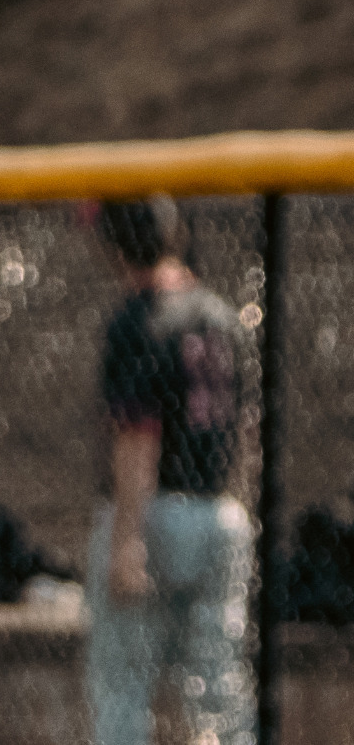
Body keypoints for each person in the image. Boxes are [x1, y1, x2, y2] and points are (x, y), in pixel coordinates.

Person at [89, 197, 254, 745]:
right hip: (222, 516)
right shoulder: (220, 315)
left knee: (123, 688)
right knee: (216, 690)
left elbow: (139, 435)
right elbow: (248, 430)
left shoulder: (138, 318)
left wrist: (126, 544)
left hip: (154, 517)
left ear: (116, 249)